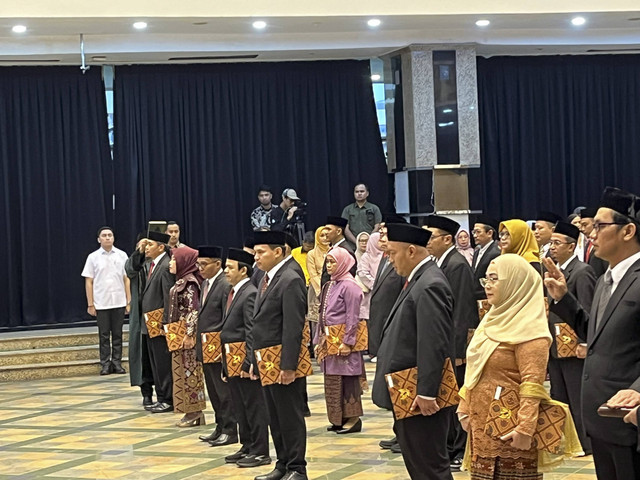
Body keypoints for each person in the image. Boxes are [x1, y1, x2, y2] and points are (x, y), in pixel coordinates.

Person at [545, 186, 640, 479]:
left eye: (600, 226)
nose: (590, 233)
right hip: (600, 416)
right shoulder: (605, 279)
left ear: (628, 231)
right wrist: (564, 299)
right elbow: (596, 335)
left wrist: (637, 391)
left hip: (627, 416)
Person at [457, 254, 580, 479]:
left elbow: (532, 385)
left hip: (511, 428)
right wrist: (464, 407)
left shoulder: (531, 330)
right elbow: (474, 369)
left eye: (495, 279)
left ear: (515, 283)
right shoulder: (490, 320)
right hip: (481, 426)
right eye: (486, 280)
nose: (488, 286)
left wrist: (525, 429)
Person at [372, 223, 455, 480]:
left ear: (410, 251)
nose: (389, 259)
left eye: (392, 253)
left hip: (419, 396)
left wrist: (427, 391)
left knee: (429, 466)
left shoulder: (430, 284)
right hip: (405, 392)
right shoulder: (417, 280)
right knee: (419, 465)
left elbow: (432, 343)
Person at [249, 230, 308, 480]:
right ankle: (282, 463)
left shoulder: (290, 278)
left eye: (261, 252)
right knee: (274, 415)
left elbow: (293, 327)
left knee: (289, 415)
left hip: (282, 360)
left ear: (279, 251)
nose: (256, 258)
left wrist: (289, 365)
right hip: (266, 359)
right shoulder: (268, 277)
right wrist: (254, 359)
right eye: (254, 253)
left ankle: (297, 467)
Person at [424, 215, 480, 471]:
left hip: (455, 345)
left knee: (457, 397)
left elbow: (462, 310)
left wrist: (459, 349)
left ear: (447, 239)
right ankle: (449, 446)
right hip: (445, 342)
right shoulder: (440, 262)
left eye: (432, 236)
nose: (428, 241)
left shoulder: (456, 264)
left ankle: (459, 448)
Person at [546, 221, 596, 454]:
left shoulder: (582, 271)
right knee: (559, 394)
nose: (552, 247)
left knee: (577, 397)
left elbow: (586, 308)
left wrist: (584, 342)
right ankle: (566, 440)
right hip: (555, 344)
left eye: (557, 243)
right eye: (551, 243)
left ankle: (585, 443)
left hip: (573, 345)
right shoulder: (554, 270)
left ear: (571, 246)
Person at [220, 248, 271, 468]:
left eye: (230, 267)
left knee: (253, 405)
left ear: (243, 270)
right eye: (225, 267)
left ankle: (260, 450)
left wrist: (250, 361)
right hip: (230, 357)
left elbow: (251, 330)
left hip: (244, 359)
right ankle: (247, 445)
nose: (226, 271)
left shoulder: (249, 293)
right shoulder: (231, 292)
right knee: (239, 405)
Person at [314, 247, 365, 434]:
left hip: (343, 343)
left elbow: (353, 316)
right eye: (327, 262)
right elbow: (322, 315)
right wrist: (319, 339)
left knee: (348, 380)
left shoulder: (350, 286)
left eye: (333, 262)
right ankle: (339, 418)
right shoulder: (331, 285)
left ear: (343, 263)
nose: (329, 266)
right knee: (333, 380)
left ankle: (353, 419)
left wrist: (348, 342)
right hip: (330, 342)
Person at [195, 246, 237, 446]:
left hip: (217, 345)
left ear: (217, 264)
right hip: (205, 345)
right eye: (198, 264)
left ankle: (230, 429)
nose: (200, 268)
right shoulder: (205, 284)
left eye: (204, 264)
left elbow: (226, 317)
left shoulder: (224, 284)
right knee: (212, 390)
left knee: (223, 391)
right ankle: (219, 425)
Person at [82, 226, 131, 376]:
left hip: (118, 300)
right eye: (104, 235)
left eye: (110, 235)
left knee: (117, 334)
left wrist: (128, 301)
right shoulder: (93, 257)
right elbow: (89, 281)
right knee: (104, 335)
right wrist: (90, 303)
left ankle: (117, 362)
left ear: (114, 238)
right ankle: (105, 363)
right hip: (101, 302)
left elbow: (126, 279)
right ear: (99, 239)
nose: (107, 237)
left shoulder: (122, 255)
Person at [167, 247, 206, 427]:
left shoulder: (190, 283)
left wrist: (190, 334)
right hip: (178, 334)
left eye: (174, 260)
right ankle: (190, 411)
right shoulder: (181, 280)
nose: (170, 263)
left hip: (185, 336)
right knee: (181, 371)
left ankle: (194, 411)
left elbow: (193, 310)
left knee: (190, 371)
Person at [141, 231, 176, 413]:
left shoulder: (164, 266)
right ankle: (161, 397)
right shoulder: (153, 264)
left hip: (159, 323)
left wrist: (165, 322)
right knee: (155, 363)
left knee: (163, 363)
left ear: (161, 247)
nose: (146, 248)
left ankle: (168, 399)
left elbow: (167, 296)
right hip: (150, 322)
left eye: (150, 245)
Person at [125, 233, 156, 405]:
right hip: (140, 316)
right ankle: (146, 393)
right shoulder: (138, 262)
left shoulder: (160, 262)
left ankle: (164, 392)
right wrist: (139, 252)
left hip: (156, 316)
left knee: (157, 357)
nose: (147, 247)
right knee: (142, 355)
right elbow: (130, 270)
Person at [341, 183, 382, 247]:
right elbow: (345, 229)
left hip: (371, 245)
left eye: (362, 191)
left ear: (367, 193)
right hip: (352, 246)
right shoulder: (347, 209)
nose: (359, 193)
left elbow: (377, 227)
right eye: (356, 192)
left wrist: (367, 241)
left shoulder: (374, 208)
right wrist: (357, 242)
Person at [472, 215, 501, 300]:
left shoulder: (496, 252)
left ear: (489, 233)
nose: (474, 235)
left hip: (488, 298)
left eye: (478, 232)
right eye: (473, 232)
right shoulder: (477, 252)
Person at [321, 216, 356, 286]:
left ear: (339, 231)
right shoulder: (333, 248)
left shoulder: (346, 251)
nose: (326, 233)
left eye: (329, 229)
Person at [306, 227, 331, 325]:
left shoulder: (334, 251)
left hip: (332, 288)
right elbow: (313, 274)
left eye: (327, 235)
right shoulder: (311, 254)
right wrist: (321, 291)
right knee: (316, 323)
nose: (325, 238)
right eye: (322, 235)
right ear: (317, 237)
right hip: (316, 289)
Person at [579, 207, 609, 278]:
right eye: (581, 225)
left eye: (585, 225)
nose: (582, 229)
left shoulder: (603, 243)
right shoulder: (587, 243)